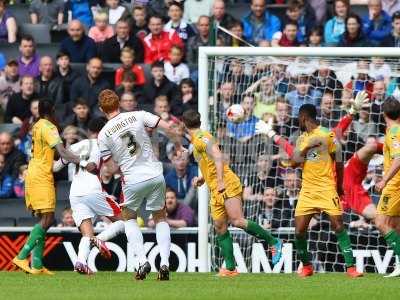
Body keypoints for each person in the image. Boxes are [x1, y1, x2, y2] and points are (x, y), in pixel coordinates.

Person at [183, 109, 282, 277]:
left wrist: (221, 181)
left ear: (184, 125)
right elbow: (210, 165)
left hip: (226, 184)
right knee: (220, 226)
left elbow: (218, 157)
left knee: (237, 221)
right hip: (215, 187)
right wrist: (202, 179)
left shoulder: (202, 138)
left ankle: (273, 241)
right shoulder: (195, 142)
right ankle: (230, 268)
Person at [97, 89, 184, 280]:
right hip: (154, 174)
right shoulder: (138, 115)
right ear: (118, 103)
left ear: (101, 109)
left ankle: (143, 260)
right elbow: (169, 128)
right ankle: (164, 263)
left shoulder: (103, 134)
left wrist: (122, 169)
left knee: (128, 219)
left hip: (132, 179)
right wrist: (178, 146)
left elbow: (110, 167)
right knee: (160, 218)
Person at [12, 99, 90, 275]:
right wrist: (83, 162)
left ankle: (37, 265)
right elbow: (62, 152)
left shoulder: (37, 125)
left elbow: (54, 157)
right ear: (53, 110)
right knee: (48, 219)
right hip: (41, 176)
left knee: (44, 220)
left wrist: (64, 159)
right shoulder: (49, 127)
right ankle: (22, 256)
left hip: (35, 172)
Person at [290, 104, 362, 278]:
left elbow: (338, 162)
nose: (298, 121)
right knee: (299, 231)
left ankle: (351, 268)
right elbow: (293, 163)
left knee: (338, 225)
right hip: (307, 191)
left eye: (299, 118)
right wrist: (307, 147)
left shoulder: (327, 135)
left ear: (304, 118)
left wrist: (338, 186)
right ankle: (307, 266)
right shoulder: (301, 139)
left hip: (326, 188)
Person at [53, 117, 128, 275]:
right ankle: (100, 239)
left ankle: (80, 262)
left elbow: (56, 167)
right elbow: (114, 169)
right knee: (124, 221)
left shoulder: (75, 146)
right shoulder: (104, 145)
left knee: (87, 233)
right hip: (93, 189)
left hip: (75, 193)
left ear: (88, 131)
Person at [374, 98, 400, 277]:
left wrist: (384, 180)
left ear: (383, 114)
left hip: (394, 185)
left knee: (380, 222)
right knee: (396, 226)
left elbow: (399, 158)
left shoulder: (393, 133)